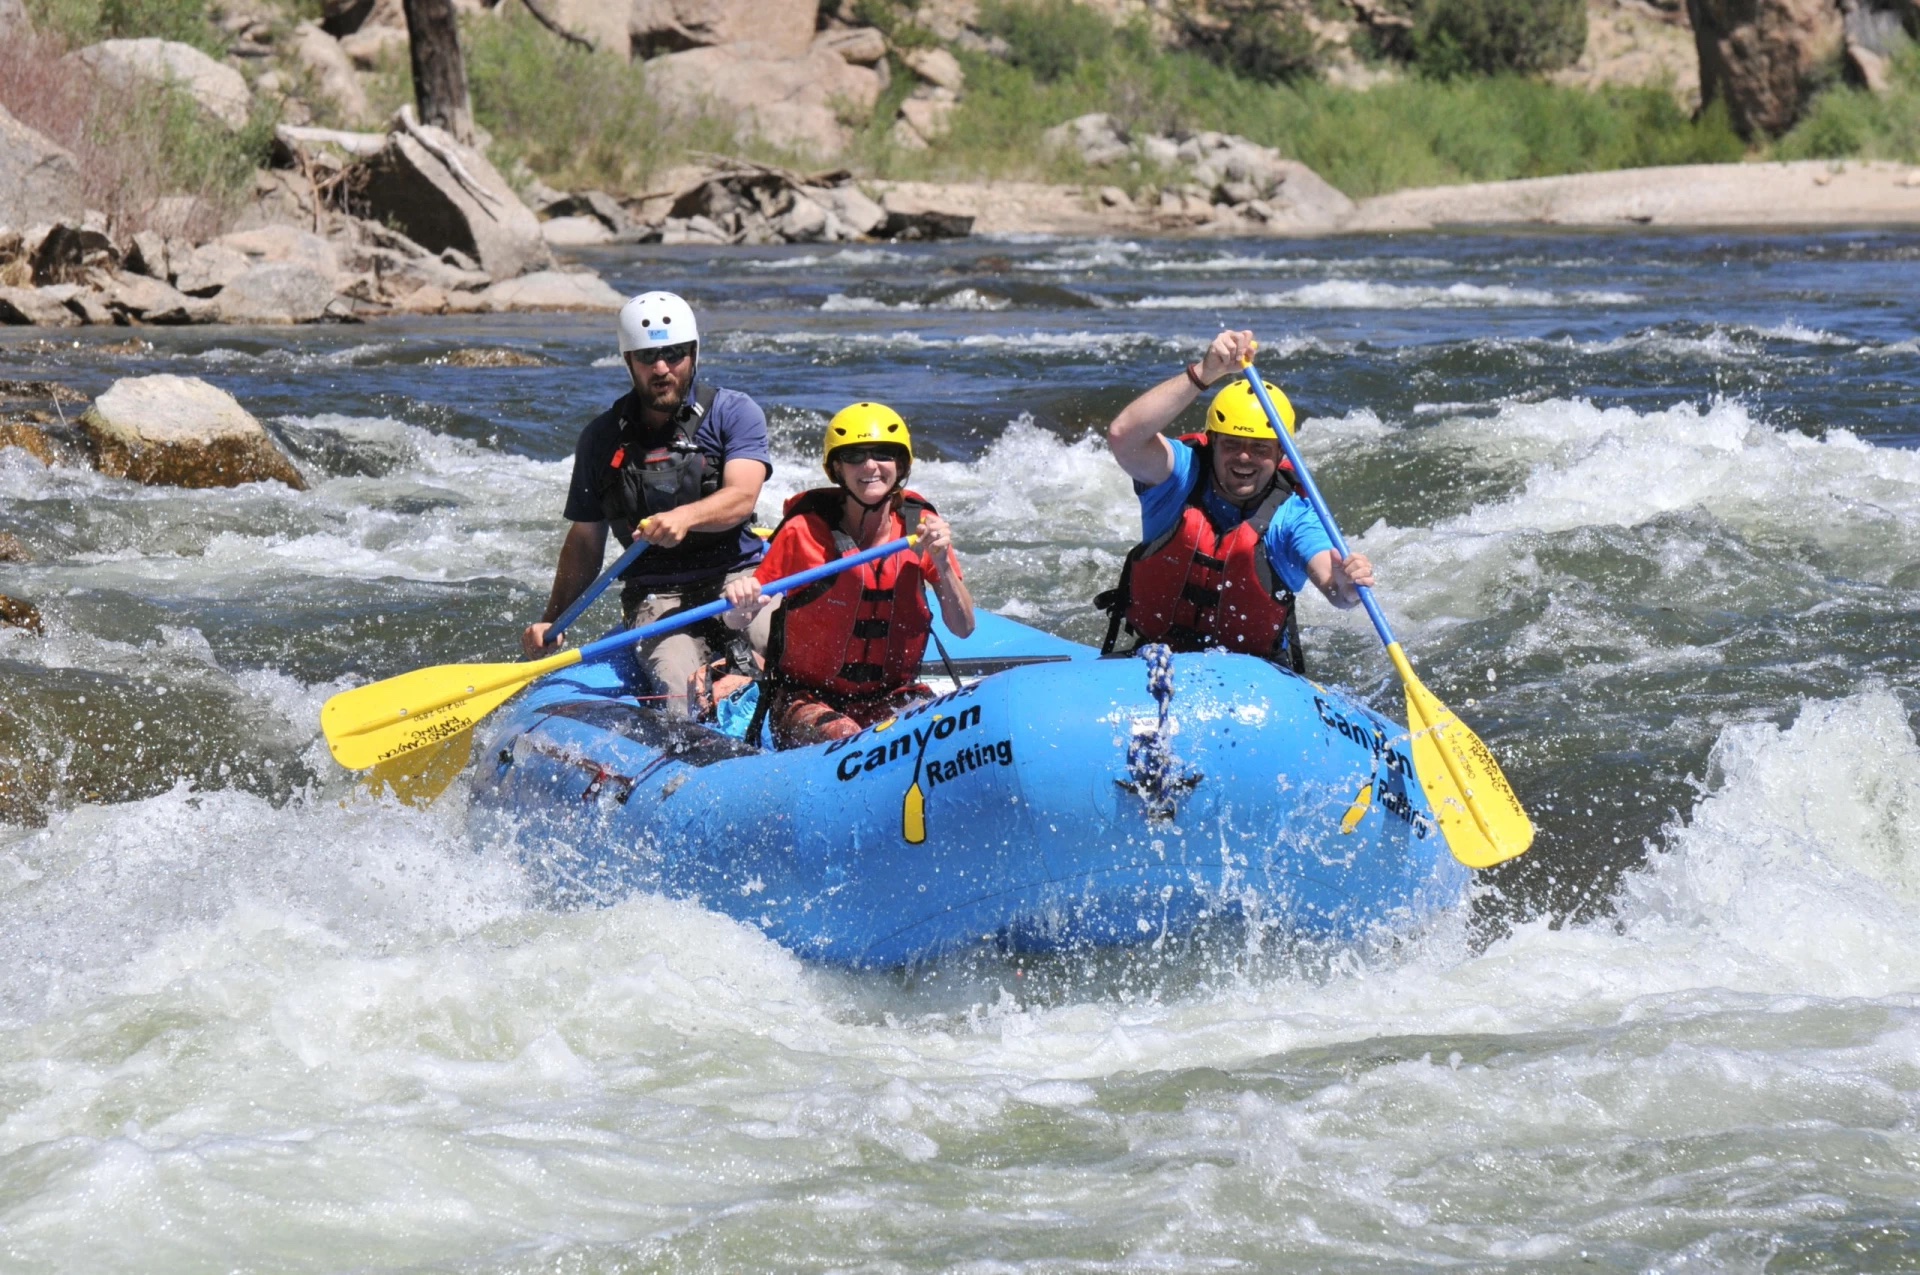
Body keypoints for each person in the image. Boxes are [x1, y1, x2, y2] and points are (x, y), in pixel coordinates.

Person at [522, 291, 773, 715]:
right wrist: (552, 619)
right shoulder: (601, 438)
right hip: (657, 594)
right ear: (628, 361)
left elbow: (741, 497)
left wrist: (684, 517)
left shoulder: (733, 411)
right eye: (647, 356)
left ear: (693, 354)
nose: (662, 368)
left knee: (788, 652)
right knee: (679, 693)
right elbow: (586, 540)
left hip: (740, 576)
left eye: (673, 354)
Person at [1096, 328, 1373, 671]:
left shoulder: (1294, 516)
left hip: (1254, 675)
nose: (1244, 458)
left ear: (1281, 452)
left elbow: (1330, 582)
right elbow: (1124, 435)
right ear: (1211, 442)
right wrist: (1204, 373)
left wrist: (1344, 589)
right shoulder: (1177, 479)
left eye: (1259, 448)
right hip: (1153, 658)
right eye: (1231, 444)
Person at [722, 402, 974, 749]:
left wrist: (942, 564)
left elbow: (963, 628)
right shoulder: (804, 530)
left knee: (947, 733)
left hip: (891, 694)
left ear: (900, 465)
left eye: (884, 454)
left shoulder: (922, 531)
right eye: (855, 456)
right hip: (807, 699)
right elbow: (738, 620)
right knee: (847, 737)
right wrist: (742, 600)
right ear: (837, 468)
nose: (870, 466)